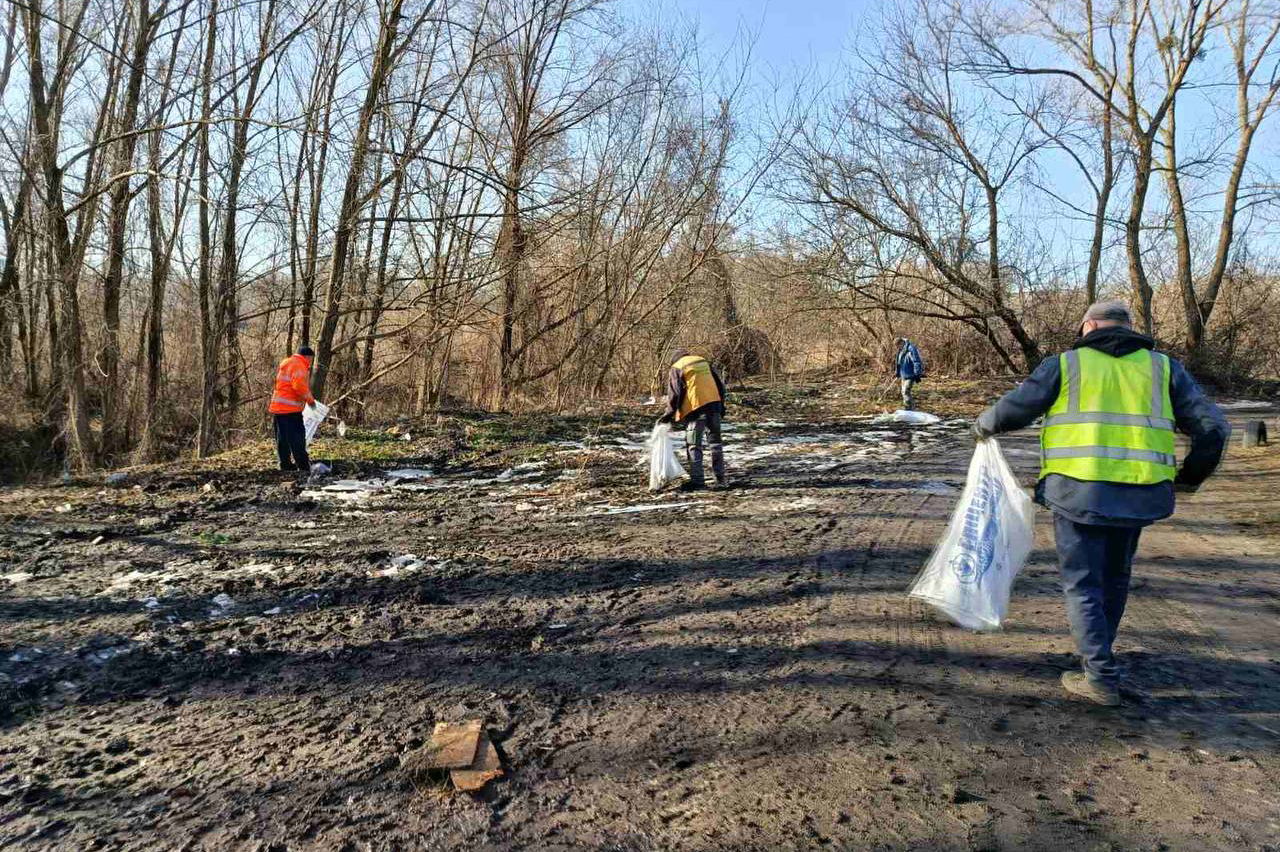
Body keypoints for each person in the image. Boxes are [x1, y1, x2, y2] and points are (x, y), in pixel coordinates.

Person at [972, 300, 1229, 706]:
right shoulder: (1164, 368)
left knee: (1083, 584)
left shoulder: (1067, 365)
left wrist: (983, 425)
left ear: (1087, 325)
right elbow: (1213, 428)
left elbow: (1016, 408)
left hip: (1079, 493)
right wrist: (1188, 479)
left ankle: (1100, 676)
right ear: (1128, 327)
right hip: (1139, 495)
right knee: (1114, 577)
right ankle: (1100, 660)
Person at [658, 350, 728, 490]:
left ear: (674, 360)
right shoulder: (702, 361)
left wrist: (668, 415)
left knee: (693, 444)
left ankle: (697, 482)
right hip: (714, 406)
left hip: (696, 410)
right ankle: (720, 480)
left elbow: (675, 394)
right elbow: (720, 386)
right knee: (715, 444)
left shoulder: (677, 367)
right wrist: (722, 406)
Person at [268, 345, 318, 473]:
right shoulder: (300, 365)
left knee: (282, 438)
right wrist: (310, 401)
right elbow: (299, 386)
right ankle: (303, 465)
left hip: (278, 408)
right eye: (310, 359)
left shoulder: (288, 363)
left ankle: (285, 464)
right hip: (291, 409)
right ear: (307, 357)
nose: (310, 362)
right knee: (297, 438)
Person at [894, 337, 925, 410]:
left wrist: (917, 373)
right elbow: (899, 363)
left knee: (906, 391)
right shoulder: (900, 350)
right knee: (903, 392)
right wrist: (897, 373)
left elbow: (916, 361)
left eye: (897, 346)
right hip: (903, 375)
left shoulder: (911, 348)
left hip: (911, 374)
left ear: (901, 343)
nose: (897, 347)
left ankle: (910, 409)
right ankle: (908, 408)